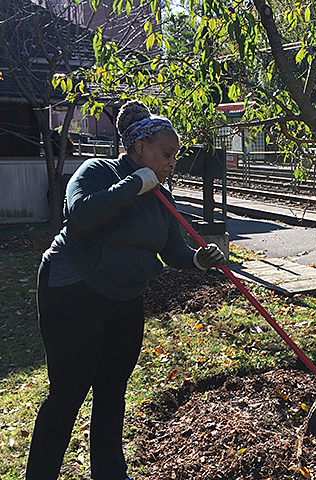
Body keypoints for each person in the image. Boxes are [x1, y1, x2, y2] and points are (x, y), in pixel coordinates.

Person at [26, 100, 225, 480]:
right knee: (68, 392)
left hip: (125, 296)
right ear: (139, 148)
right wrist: (135, 183)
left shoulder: (161, 198)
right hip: (74, 288)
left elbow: (173, 250)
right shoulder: (99, 171)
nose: (171, 164)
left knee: (112, 389)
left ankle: (110, 473)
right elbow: (82, 214)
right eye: (166, 155)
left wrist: (198, 259)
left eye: (174, 156)